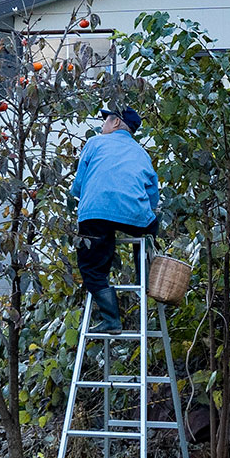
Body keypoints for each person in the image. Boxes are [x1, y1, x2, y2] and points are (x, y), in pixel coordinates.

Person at [70, 106, 158, 333]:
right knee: (150, 229)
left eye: (106, 120)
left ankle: (111, 319)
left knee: (91, 266)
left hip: (96, 212)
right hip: (134, 215)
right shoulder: (142, 153)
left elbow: (78, 186)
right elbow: (152, 195)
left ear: (116, 122)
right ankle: (145, 277)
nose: (103, 125)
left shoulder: (95, 143)